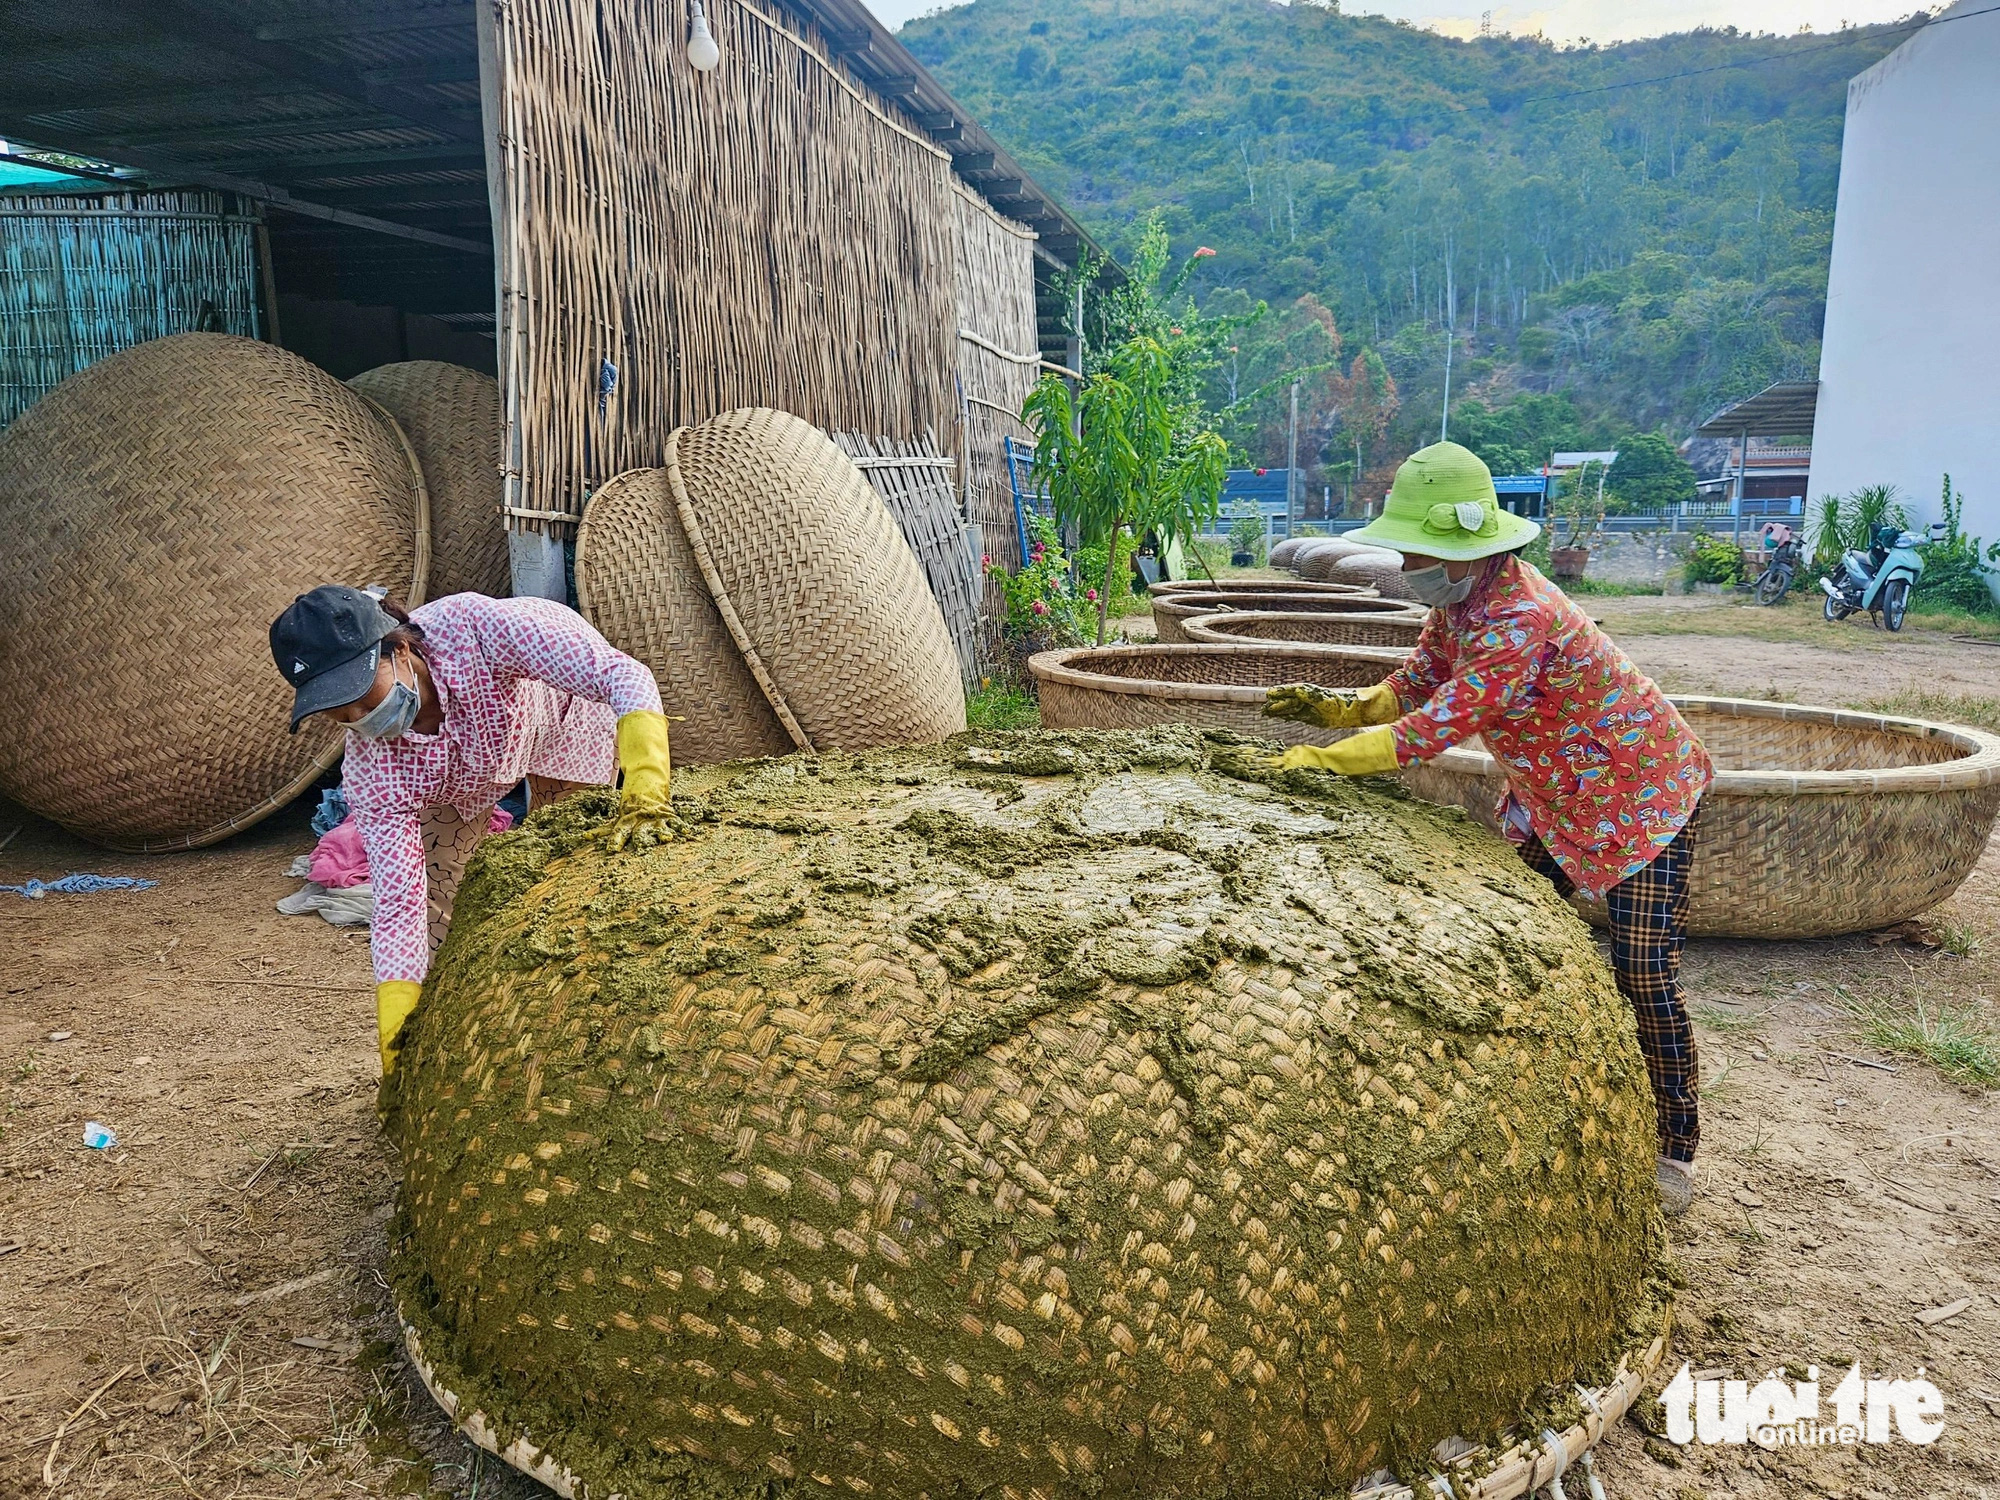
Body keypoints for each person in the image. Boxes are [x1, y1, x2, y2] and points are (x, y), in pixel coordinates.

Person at [1263, 442, 1713, 1216]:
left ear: (1463, 549)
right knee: (1510, 926)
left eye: (1416, 550)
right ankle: (1529, 1085)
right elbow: (1417, 686)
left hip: (1641, 794)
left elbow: (1437, 725)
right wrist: (1344, 708)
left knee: (1642, 969)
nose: (1407, 561)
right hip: (1558, 795)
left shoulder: (1520, 615)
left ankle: (1673, 1148)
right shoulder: (1457, 603)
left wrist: (1327, 760)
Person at [270, 585, 673, 1075]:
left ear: (399, 647)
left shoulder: (480, 630)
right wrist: (398, 1029)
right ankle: (449, 1046)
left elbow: (623, 674)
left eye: (358, 694)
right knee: (439, 900)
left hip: (563, 717)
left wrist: (647, 785)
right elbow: (400, 906)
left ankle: (577, 1024)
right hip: (463, 774)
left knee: (567, 869)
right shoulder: (374, 768)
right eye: (335, 709)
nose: (358, 718)